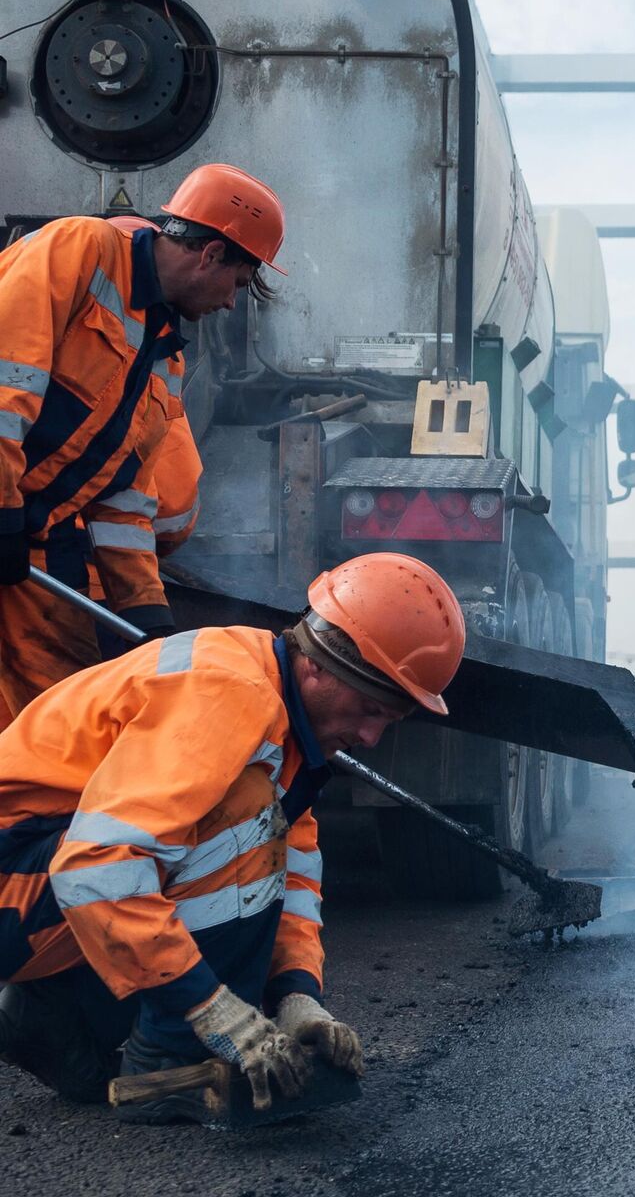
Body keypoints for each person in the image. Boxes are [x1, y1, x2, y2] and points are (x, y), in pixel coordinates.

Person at [0, 552, 465, 1122]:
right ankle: (168, 1065)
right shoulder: (231, 694)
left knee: (257, 825)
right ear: (319, 665)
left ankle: (51, 1016)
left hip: (31, 882)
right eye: (369, 709)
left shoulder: (282, 715)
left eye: (388, 721)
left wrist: (297, 996)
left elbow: (291, 868)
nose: (370, 736)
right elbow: (96, 867)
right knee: (239, 814)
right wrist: (215, 1013)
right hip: (18, 882)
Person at [0, 164, 281, 722]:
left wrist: (148, 614)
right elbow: (4, 391)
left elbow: (122, 501)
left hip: (30, 544)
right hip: (11, 522)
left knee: (56, 721)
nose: (231, 303)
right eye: (240, 283)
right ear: (210, 255)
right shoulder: (79, 249)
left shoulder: (165, 358)